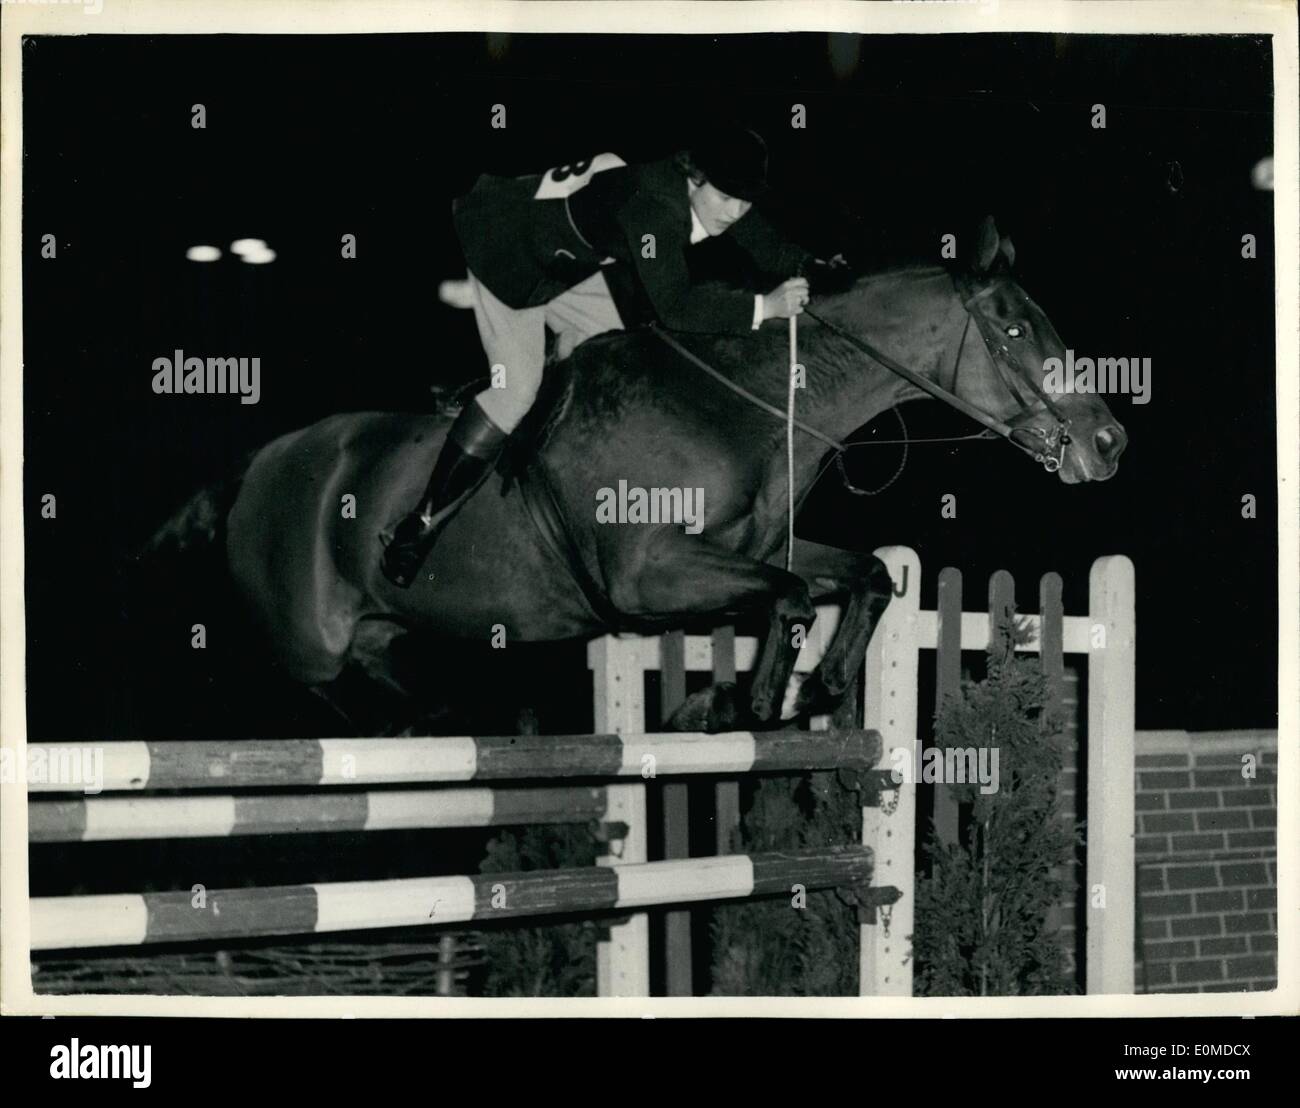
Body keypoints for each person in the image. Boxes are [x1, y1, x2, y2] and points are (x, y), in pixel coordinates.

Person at [381, 124, 843, 587]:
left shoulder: (706, 191)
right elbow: (678, 306)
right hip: (508, 256)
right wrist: (767, 306)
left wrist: (808, 264)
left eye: (746, 199)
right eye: (727, 197)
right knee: (516, 392)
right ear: (695, 177)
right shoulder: (655, 208)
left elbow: (757, 235)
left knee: (628, 336)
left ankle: (541, 378)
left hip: (565, 262)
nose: (736, 211)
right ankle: (420, 525)